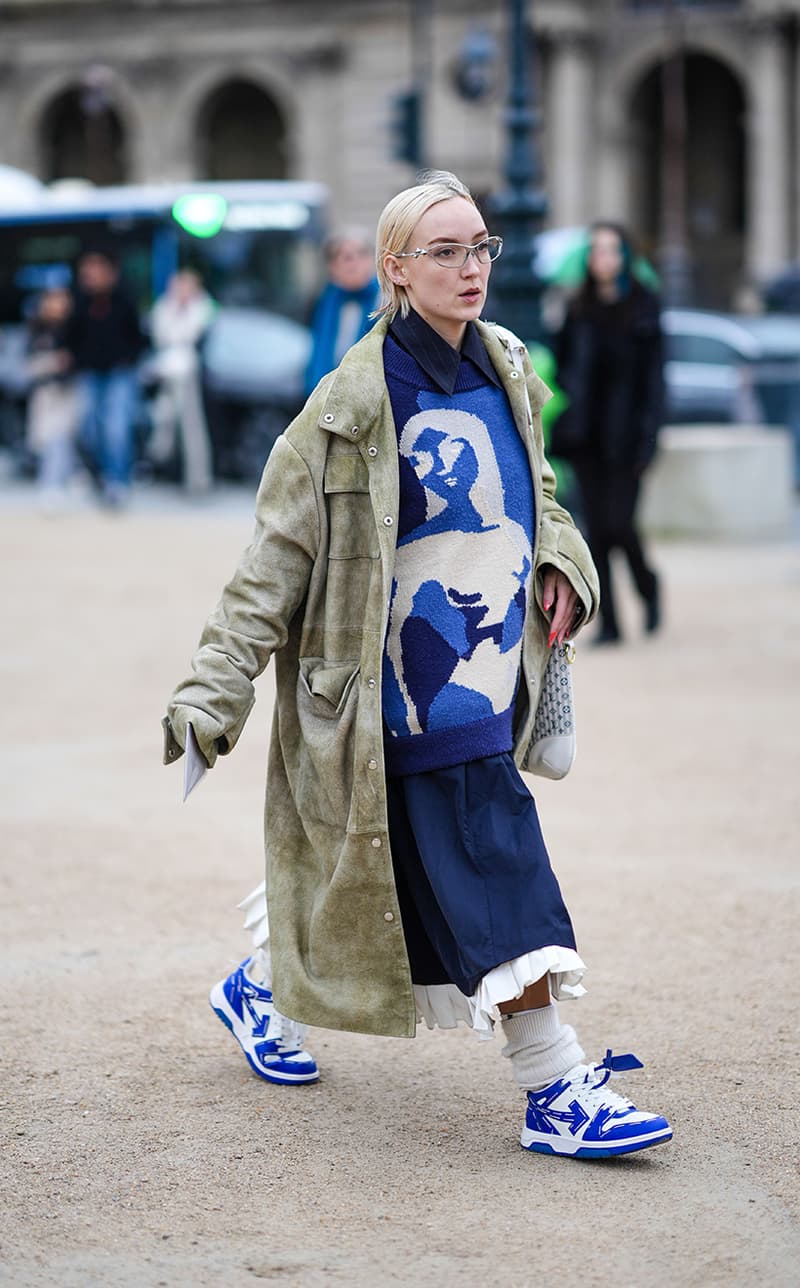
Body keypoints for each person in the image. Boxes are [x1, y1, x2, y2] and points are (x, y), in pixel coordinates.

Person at [164, 171, 672, 1160]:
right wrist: (210, 692)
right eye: (445, 251)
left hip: (490, 674)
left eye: (480, 246)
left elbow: (540, 497)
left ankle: (261, 989)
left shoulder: (508, 364)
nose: (471, 267)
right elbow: (272, 563)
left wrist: (563, 563)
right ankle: (556, 1088)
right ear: (395, 269)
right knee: (500, 874)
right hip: (394, 696)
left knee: (378, 875)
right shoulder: (347, 404)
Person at [551, 221, 664, 644]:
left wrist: (650, 438)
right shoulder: (576, 307)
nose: (603, 257)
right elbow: (562, 363)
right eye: (596, 250)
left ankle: (649, 586)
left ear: (625, 256)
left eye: (611, 249)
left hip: (628, 438)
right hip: (587, 437)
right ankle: (611, 622)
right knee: (597, 531)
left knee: (620, 525)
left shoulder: (645, 306)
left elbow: (655, 382)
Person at [64, 249, 146, 507]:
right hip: (89, 373)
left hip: (120, 373)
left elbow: (139, 338)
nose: (90, 275)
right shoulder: (79, 302)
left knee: (116, 427)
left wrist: (127, 359)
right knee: (89, 428)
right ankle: (98, 475)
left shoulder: (125, 299)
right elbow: (70, 338)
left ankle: (117, 480)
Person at [146, 269, 216, 494]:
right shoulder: (164, 306)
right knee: (162, 422)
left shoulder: (202, 307)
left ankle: (198, 479)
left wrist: (184, 312)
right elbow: (160, 335)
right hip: (165, 372)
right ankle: (157, 468)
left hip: (188, 373)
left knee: (191, 427)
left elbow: (193, 333)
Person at [304, 227, 381, 394]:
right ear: (331, 266)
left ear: (372, 259)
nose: (351, 262)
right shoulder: (324, 301)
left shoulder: (386, 300)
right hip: (325, 392)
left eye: (360, 253)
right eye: (342, 256)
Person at [24, 286, 82, 508]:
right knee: (43, 440)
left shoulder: (75, 328)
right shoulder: (37, 329)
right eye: (52, 301)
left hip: (70, 390)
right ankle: (70, 473)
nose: (57, 306)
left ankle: (52, 483)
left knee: (61, 437)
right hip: (44, 392)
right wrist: (53, 362)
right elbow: (27, 365)